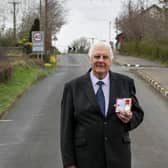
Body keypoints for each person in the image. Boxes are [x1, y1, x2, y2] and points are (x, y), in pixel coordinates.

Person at [61, 41, 144, 168]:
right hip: (85, 159)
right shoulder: (73, 88)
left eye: (105, 57)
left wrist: (130, 118)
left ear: (111, 60)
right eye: (97, 56)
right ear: (90, 59)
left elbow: (138, 113)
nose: (101, 60)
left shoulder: (125, 83)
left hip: (119, 158)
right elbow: (66, 128)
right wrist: (69, 163)